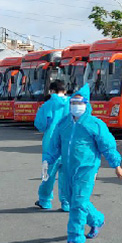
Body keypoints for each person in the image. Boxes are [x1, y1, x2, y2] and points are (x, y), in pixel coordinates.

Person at [43, 84, 122, 243]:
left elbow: (107, 146)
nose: (76, 105)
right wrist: (48, 161)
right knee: (73, 199)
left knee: (78, 203)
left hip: (86, 169)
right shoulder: (63, 124)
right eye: (73, 102)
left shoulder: (95, 124)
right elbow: (55, 145)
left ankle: (75, 239)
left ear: (87, 104)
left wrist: (116, 165)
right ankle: (97, 220)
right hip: (67, 169)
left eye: (80, 103)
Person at [34, 80, 70, 211]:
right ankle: (66, 203)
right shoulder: (73, 104)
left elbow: (40, 125)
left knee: (47, 175)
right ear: (65, 91)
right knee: (66, 176)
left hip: (51, 145)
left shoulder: (47, 105)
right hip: (68, 146)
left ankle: (45, 201)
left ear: (51, 91)